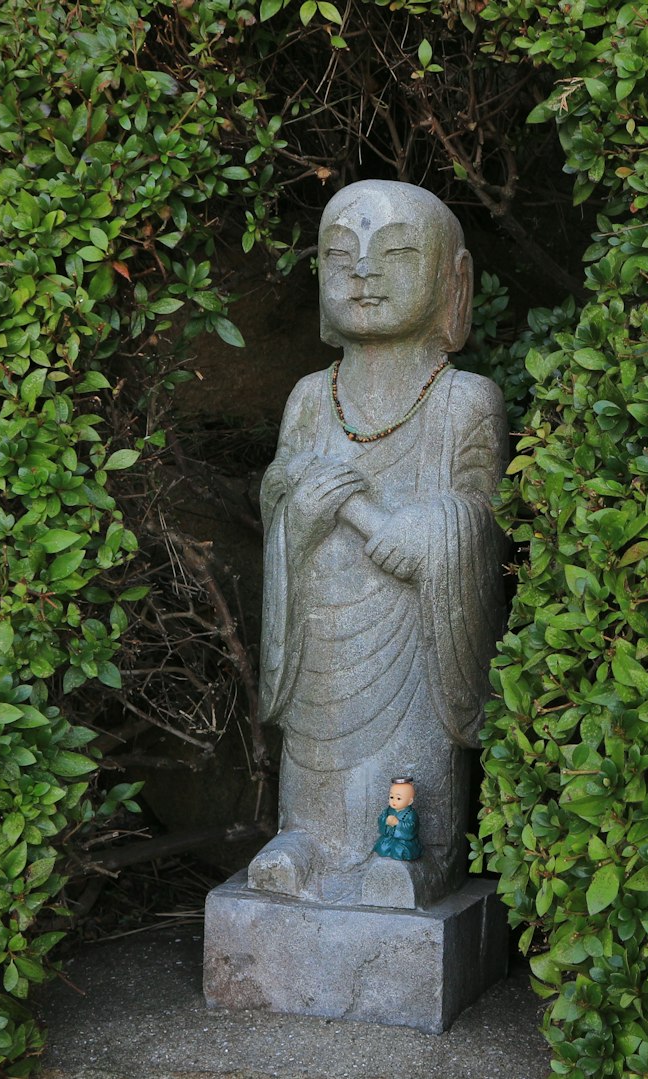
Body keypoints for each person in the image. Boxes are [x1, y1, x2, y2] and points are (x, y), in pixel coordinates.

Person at [247, 180, 506, 908]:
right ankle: (305, 834)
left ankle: (417, 849)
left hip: (417, 637)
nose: (362, 271)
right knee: (317, 731)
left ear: (452, 280)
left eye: (393, 253)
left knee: (412, 757)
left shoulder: (465, 402)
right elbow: (278, 492)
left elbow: (483, 517)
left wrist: (435, 528)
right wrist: (296, 520)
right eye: (340, 255)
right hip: (321, 626)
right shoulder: (307, 399)